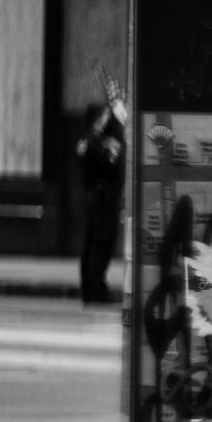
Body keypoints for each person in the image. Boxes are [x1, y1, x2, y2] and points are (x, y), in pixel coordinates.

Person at [75, 92, 126, 309]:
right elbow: (112, 164)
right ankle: (96, 288)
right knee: (100, 244)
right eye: (104, 116)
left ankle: (91, 287)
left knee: (93, 243)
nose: (107, 119)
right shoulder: (96, 142)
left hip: (95, 196)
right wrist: (119, 124)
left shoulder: (87, 140)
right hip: (102, 197)